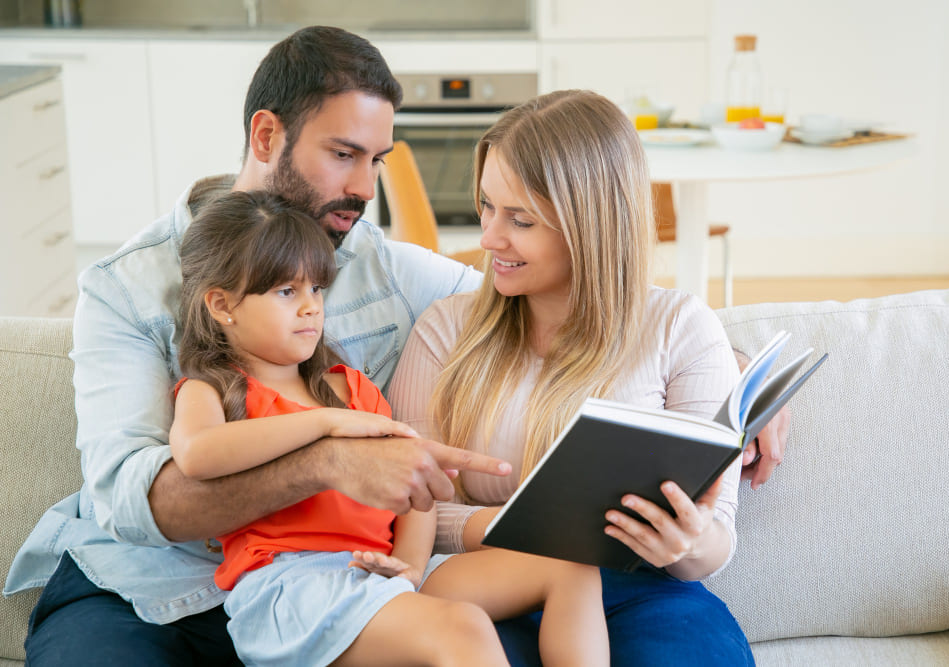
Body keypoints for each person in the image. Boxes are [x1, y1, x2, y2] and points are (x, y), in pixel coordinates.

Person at [3, 25, 786, 666]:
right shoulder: (130, 286)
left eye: (376, 161)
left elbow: (546, 286)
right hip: (147, 584)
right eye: (343, 155)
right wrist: (328, 453)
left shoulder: (379, 265)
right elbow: (145, 500)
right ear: (267, 134)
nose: (363, 189)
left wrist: (738, 386)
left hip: (341, 580)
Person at [387, 89, 758, 665]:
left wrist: (687, 541)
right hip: (489, 594)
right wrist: (541, 538)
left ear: (592, 223)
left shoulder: (681, 328)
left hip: (645, 594)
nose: (488, 239)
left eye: (521, 219)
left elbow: (716, 539)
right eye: (487, 206)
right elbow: (413, 509)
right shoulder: (445, 332)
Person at [170, 189, 608, 665]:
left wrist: (409, 571)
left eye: (316, 289)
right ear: (221, 304)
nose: (311, 307)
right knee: (463, 627)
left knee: (571, 566)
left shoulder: (354, 389)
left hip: (383, 570)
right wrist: (325, 422)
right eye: (285, 292)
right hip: (292, 585)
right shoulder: (214, 390)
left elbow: (416, 493)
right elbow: (197, 454)